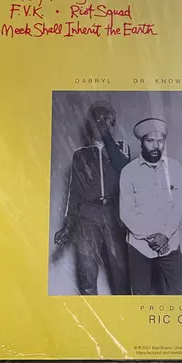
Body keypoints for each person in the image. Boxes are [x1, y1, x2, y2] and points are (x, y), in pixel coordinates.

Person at [54, 101, 131, 295]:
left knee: (120, 273)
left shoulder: (121, 148)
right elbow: (74, 193)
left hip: (114, 214)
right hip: (87, 216)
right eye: (99, 121)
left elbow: (122, 166)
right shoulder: (80, 155)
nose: (104, 125)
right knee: (86, 272)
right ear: (91, 125)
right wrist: (67, 225)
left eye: (109, 121)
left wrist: (106, 137)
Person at [119, 117, 182, 295]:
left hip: (170, 244)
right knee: (140, 298)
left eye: (160, 140)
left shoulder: (175, 168)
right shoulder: (128, 172)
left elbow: (178, 207)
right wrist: (152, 238)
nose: (156, 146)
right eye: (150, 141)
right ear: (141, 142)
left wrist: (165, 235)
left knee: (180, 295)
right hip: (139, 246)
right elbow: (126, 212)